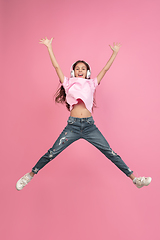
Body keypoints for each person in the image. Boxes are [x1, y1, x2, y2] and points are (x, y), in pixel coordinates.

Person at [16, 37, 152, 191]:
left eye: (83, 69)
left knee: (110, 152)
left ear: (88, 72)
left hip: (89, 127)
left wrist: (114, 53)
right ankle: (30, 175)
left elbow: (105, 70)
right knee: (52, 153)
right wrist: (49, 47)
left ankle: (135, 180)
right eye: (77, 68)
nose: (80, 70)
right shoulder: (67, 82)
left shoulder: (92, 83)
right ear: (73, 71)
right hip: (73, 127)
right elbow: (56, 67)